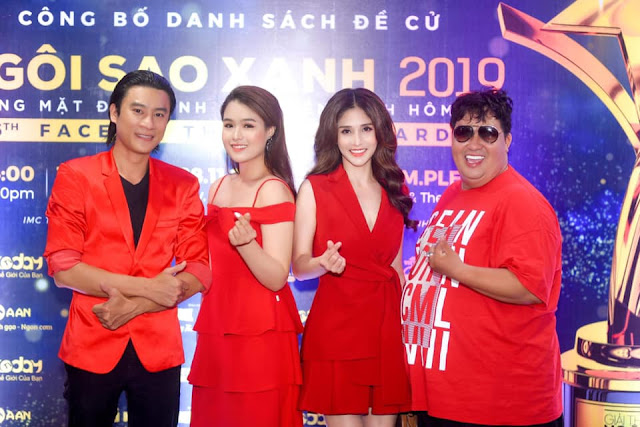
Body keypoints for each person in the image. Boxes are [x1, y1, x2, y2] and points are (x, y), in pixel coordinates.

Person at [43, 70, 211, 427]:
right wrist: (149, 288)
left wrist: (135, 306)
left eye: (159, 114)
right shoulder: (76, 176)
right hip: (92, 340)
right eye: (138, 111)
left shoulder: (183, 184)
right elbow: (64, 268)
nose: (148, 123)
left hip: (158, 350)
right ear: (114, 112)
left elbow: (198, 268)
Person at [401, 88, 563, 426]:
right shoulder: (452, 194)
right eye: (464, 132)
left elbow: (529, 286)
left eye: (487, 133)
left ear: (507, 141)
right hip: (445, 400)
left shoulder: (523, 202)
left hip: (500, 406)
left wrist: (458, 270)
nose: (473, 143)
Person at [293, 88, 415, 427]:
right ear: (333, 136)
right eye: (346, 131)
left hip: (386, 331)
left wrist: (408, 331)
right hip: (337, 331)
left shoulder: (396, 187)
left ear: (379, 132)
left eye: (366, 129)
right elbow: (299, 266)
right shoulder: (315, 188)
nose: (357, 141)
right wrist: (321, 263)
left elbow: (395, 267)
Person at [188, 85, 303, 427]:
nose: (236, 135)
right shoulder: (218, 187)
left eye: (248, 125)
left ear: (270, 131)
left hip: (259, 333)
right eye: (229, 124)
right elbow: (213, 263)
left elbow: (277, 277)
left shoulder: (274, 190)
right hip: (217, 326)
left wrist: (247, 245)